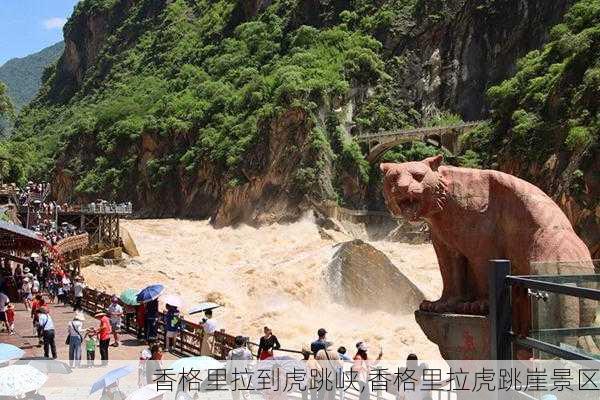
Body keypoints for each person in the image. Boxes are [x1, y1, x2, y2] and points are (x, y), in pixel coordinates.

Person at [226, 336, 253, 400]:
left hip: (233, 377)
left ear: (235, 343)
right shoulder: (248, 352)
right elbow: (250, 364)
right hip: (244, 376)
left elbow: (228, 367)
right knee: (246, 396)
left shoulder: (231, 353)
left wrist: (227, 376)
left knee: (235, 397)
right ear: (243, 343)